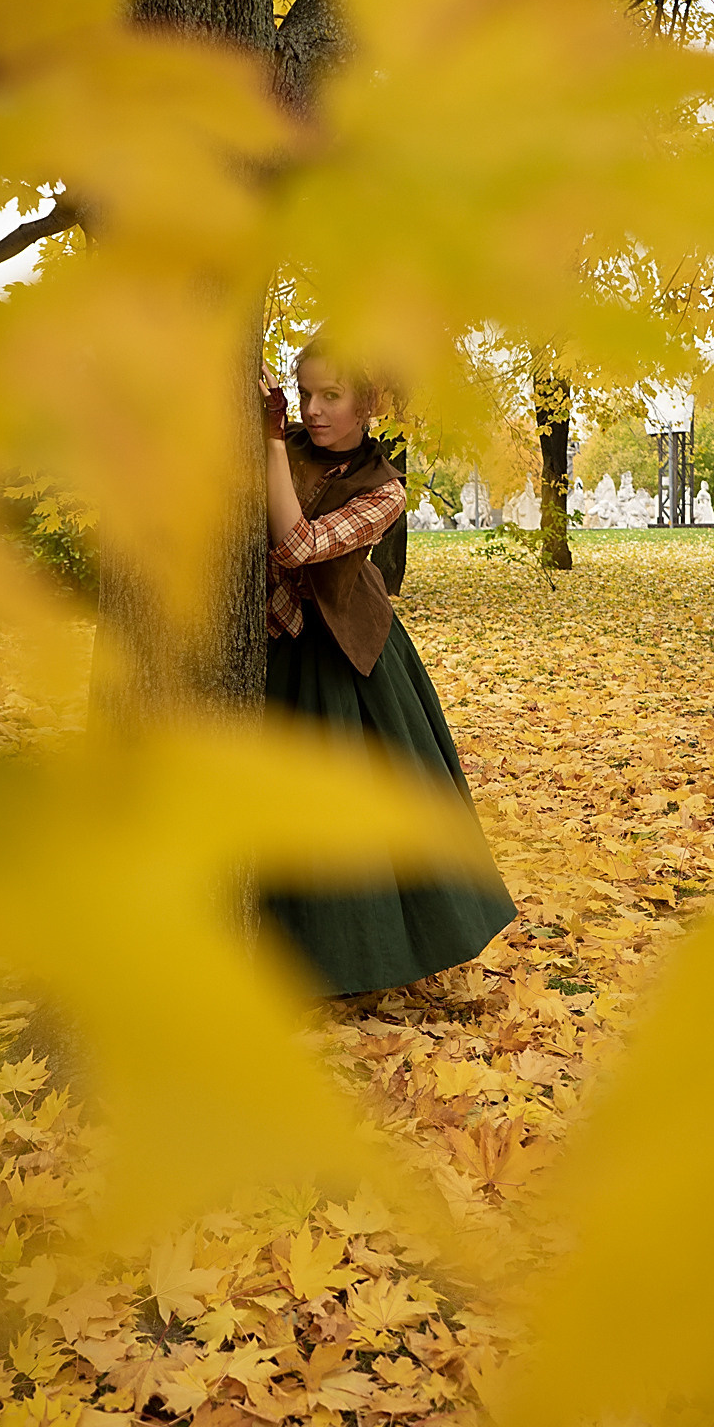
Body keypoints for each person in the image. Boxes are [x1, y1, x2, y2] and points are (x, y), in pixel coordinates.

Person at [259, 333, 516, 997]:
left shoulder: (384, 491)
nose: (313, 410)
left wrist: (267, 445)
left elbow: (294, 546)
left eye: (332, 396)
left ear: (369, 402)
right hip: (274, 644)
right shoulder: (283, 446)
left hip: (345, 653)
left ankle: (357, 960)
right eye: (305, 392)